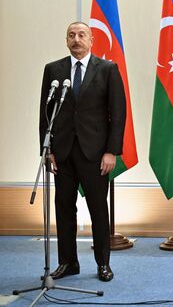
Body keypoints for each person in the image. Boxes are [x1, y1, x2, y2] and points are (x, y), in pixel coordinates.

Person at [38, 22, 126, 282]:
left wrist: (112, 152)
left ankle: (103, 264)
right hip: (62, 153)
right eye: (71, 35)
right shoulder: (53, 70)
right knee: (64, 208)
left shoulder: (108, 69)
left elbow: (118, 114)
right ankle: (68, 262)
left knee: (98, 209)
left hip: (95, 154)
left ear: (92, 40)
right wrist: (47, 149)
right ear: (66, 40)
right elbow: (45, 115)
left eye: (81, 35)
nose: (76, 39)